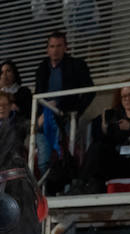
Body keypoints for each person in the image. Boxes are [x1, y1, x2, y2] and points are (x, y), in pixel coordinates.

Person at [78, 85, 130, 192]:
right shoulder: (116, 114)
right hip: (118, 163)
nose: (127, 99)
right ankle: (80, 185)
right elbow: (103, 142)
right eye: (123, 96)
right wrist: (104, 129)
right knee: (97, 146)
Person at [34, 31, 94, 180]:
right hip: (44, 119)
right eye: (52, 46)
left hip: (65, 118)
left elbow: (89, 91)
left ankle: (66, 187)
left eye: (59, 46)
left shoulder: (77, 65)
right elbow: (37, 94)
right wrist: (40, 115)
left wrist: (76, 112)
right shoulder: (42, 68)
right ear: (47, 49)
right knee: (43, 161)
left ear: (66, 47)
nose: (55, 50)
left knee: (66, 156)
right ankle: (47, 194)